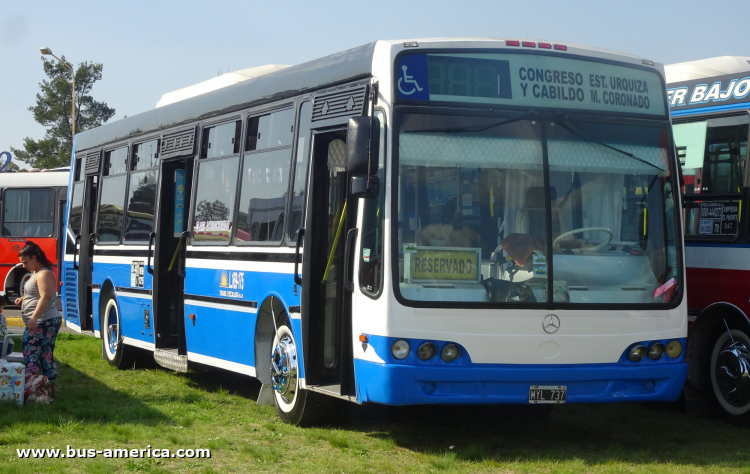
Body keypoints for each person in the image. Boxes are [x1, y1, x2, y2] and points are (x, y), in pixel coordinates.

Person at [14, 241, 62, 400]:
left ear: (34, 257)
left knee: (31, 353)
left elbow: (46, 296)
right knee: (45, 355)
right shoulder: (37, 272)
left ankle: (33, 390)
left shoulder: (43, 274)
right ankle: (47, 392)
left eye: (26, 261)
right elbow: (36, 294)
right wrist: (24, 299)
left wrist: (34, 317)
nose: (24, 265)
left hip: (43, 321)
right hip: (45, 320)